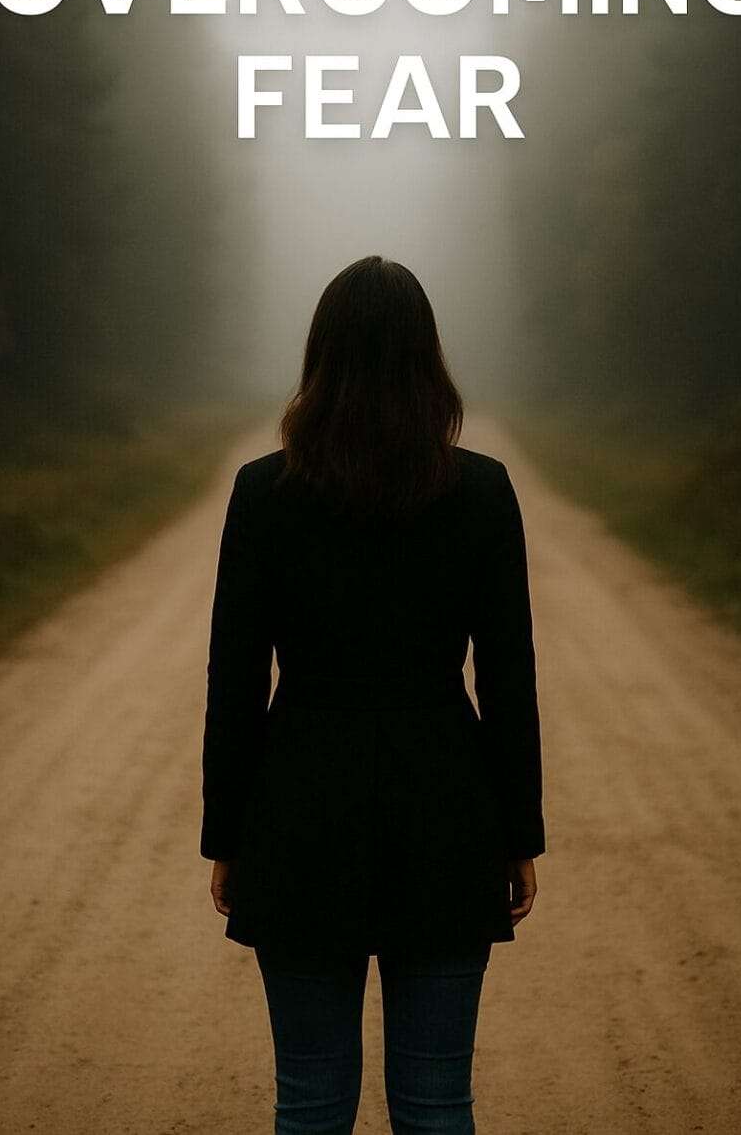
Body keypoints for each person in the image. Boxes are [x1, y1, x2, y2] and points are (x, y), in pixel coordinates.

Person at [200, 255, 546, 1134]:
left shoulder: (263, 494)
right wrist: (517, 834)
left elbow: (236, 680)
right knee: (437, 1104)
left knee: (309, 1105)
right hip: (446, 814)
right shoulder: (480, 492)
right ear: (428, 361)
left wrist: (228, 837)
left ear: (321, 361)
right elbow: (507, 678)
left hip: (300, 814)